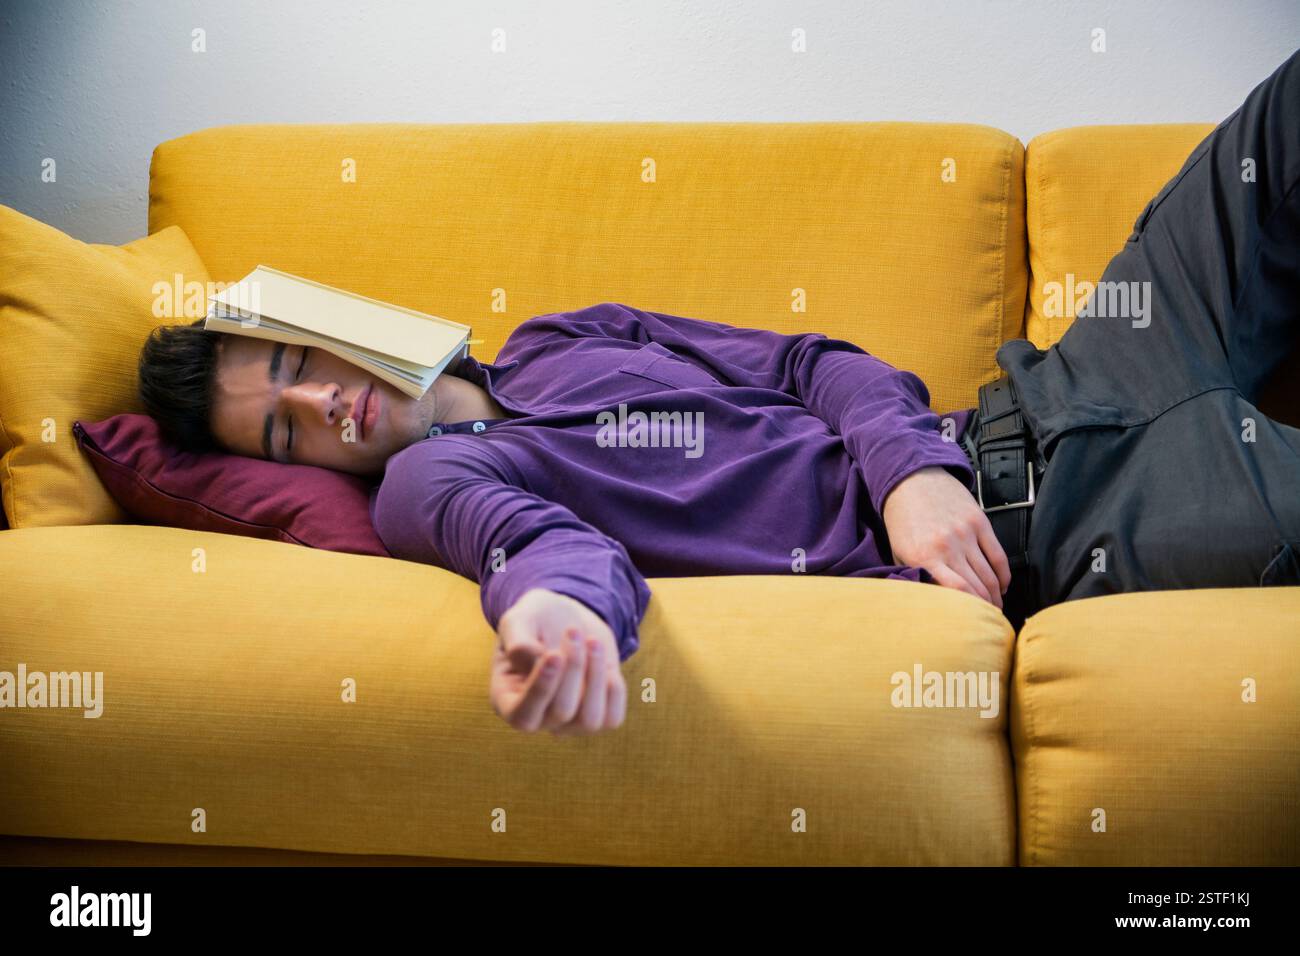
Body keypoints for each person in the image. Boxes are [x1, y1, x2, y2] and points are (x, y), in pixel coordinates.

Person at [137, 47, 1300, 739]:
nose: (322, 408)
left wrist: (909, 473)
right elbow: (528, 544)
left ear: (325, 327)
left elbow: (810, 362)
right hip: (1078, 529)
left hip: (1062, 384)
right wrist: (560, 615)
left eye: (299, 368)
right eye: (284, 432)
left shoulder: (556, 337)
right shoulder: (431, 480)